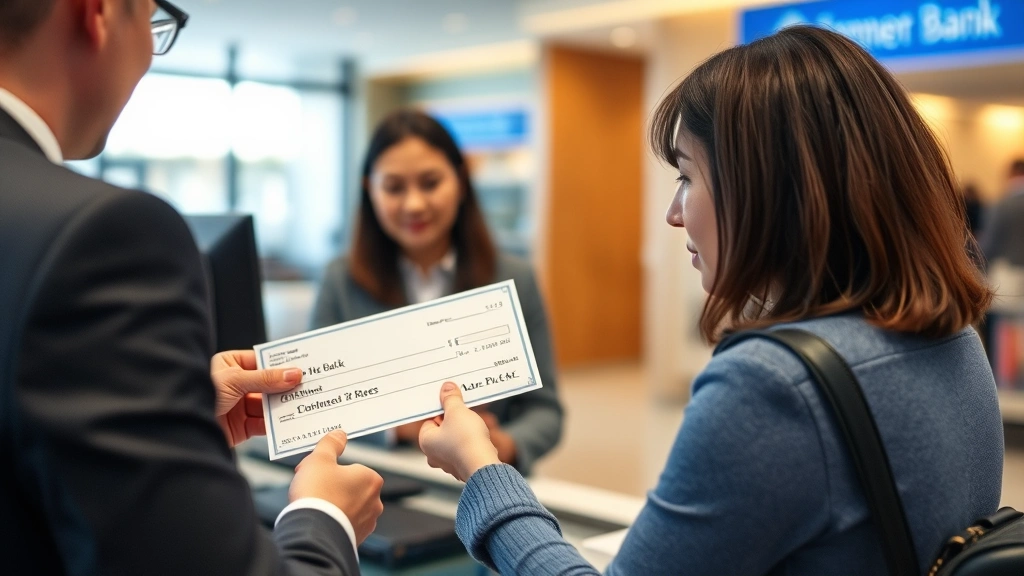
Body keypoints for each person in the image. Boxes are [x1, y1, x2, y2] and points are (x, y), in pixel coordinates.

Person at [416, 25, 1004, 576]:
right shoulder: (955, 339)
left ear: (768, 191)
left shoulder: (772, 384)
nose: (674, 214)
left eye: (687, 177)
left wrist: (482, 471)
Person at [0, 1, 381, 574]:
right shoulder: (99, 235)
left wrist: (161, 411)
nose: (151, 55)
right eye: (154, 21)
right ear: (98, 12)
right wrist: (324, 518)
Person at [312, 109, 563, 475]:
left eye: (430, 183)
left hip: (489, 481)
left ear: (460, 180)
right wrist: (397, 430)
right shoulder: (340, 280)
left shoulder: (515, 278)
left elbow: (546, 411)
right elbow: (318, 410)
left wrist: (501, 445)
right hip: (375, 482)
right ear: (370, 190)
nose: (414, 204)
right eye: (394, 187)